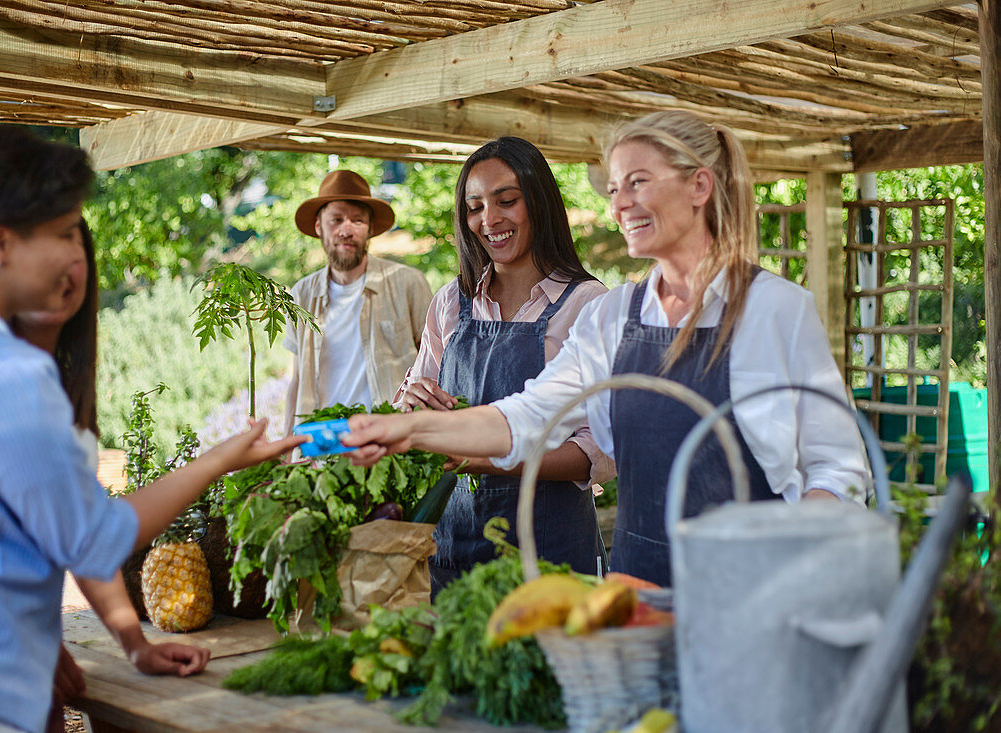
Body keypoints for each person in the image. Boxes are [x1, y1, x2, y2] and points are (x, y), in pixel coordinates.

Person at [342, 111, 870, 588]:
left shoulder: (776, 309)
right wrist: (406, 429)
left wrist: (787, 563)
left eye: (637, 183)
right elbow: (525, 416)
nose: (619, 204)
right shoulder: (613, 316)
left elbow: (838, 468)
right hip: (635, 586)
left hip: (753, 588)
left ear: (699, 186)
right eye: (615, 188)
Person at [0, 126, 304, 732]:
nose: (75, 255)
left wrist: (118, 642)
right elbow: (94, 537)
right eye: (63, 233)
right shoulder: (1, 372)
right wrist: (219, 459)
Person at [10, 222, 211, 732]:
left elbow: (80, 534)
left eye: (74, 244)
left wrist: (134, 644)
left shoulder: (54, 380)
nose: (64, 265)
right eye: (47, 241)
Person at [394, 137, 614, 590]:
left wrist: (483, 459)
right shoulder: (450, 303)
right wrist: (409, 409)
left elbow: (600, 453)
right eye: (474, 206)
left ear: (539, 202)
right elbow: (416, 421)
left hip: (552, 559)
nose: (489, 220)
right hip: (454, 552)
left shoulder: (589, 305)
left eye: (506, 201)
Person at [282, 169, 432, 432]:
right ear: (319, 226)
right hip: (322, 446)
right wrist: (284, 451)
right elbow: (297, 380)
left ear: (371, 228)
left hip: (392, 442)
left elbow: (435, 366)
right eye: (336, 220)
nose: (346, 230)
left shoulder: (407, 283)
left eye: (357, 220)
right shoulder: (301, 295)